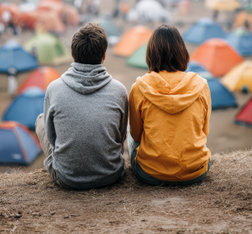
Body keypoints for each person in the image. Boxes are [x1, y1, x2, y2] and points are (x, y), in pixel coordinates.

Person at [36, 22, 128, 190]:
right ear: (104, 55)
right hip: (111, 174)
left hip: (66, 177)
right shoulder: (119, 90)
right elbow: (120, 137)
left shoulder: (54, 89)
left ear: (72, 53)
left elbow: (52, 137)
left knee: (41, 120)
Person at [128, 24, 211, 186]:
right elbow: (204, 131)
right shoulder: (201, 85)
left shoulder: (139, 87)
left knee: (130, 131)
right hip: (194, 172)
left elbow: (136, 135)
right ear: (182, 52)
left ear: (151, 53)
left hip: (150, 173)